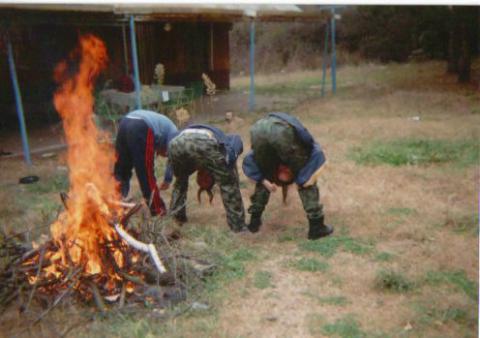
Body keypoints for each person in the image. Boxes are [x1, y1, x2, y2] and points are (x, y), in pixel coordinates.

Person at [242, 112, 333, 240]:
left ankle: (254, 223)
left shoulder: (275, 158)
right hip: (280, 131)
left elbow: (251, 161)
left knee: (266, 176)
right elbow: (307, 140)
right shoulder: (310, 149)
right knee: (306, 180)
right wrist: (303, 176)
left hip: (257, 128)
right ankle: (316, 226)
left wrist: (263, 178)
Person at [168, 124, 246, 232]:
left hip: (175, 143)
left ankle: (176, 218)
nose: (202, 180)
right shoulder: (213, 155)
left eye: (201, 182)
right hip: (198, 141)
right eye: (206, 181)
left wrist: (168, 173)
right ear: (212, 175)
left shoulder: (194, 163)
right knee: (228, 185)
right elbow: (237, 139)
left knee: (180, 182)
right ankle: (238, 226)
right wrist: (230, 169)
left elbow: (171, 158)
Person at [114, 109, 178, 216]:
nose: (163, 156)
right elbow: (173, 156)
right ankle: (158, 210)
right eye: (164, 155)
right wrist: (168, 179)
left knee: (121, 169)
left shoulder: (164, 128)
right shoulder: (174, 133)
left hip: (125, 122)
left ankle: (116, 202)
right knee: (146, 174)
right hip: (142, 126)